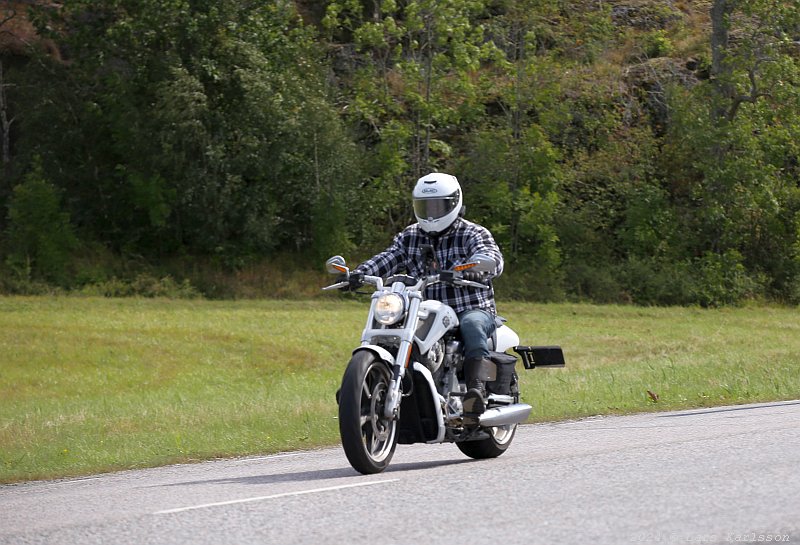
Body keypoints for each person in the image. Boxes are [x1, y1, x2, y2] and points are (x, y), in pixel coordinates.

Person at [347, 172, 504, 418]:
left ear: (454, 203)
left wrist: (475, 267)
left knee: (472, 325)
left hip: (470, 307)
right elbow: (389, 258)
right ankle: (360, 389)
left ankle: (476, 391)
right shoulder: (410, 235)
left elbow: (492, 259)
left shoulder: (473, 233)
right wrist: (358, 274)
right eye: (425, 206)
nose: (431, 213)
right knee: (389, 327)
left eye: (438, 205)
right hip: (425, 309)